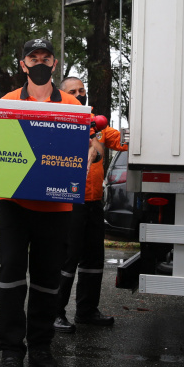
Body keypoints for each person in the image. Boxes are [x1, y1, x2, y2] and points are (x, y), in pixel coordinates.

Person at [0, 38, 83, 367]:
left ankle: (40, 346)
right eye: (32, 57)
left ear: (54, 63)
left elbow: (87, 145)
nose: (39, 62)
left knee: (48, 280)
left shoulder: (70, 102)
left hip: (56, 207)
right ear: (22, 64)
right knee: (10, 276)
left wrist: (88, 155)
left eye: (45, 57)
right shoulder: (6, 101)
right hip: (14, 205)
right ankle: (10, 351)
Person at [54, 76, 128, 333]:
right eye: (73, 91)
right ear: (63, 95)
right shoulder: (59, 122)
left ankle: (86, 310)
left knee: (94, 259)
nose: (79, 94)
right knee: (67, 259)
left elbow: (122, 141)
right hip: (69, 202)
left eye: (82, 90)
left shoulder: (97, 124)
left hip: (95, 202)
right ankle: (56, 312)